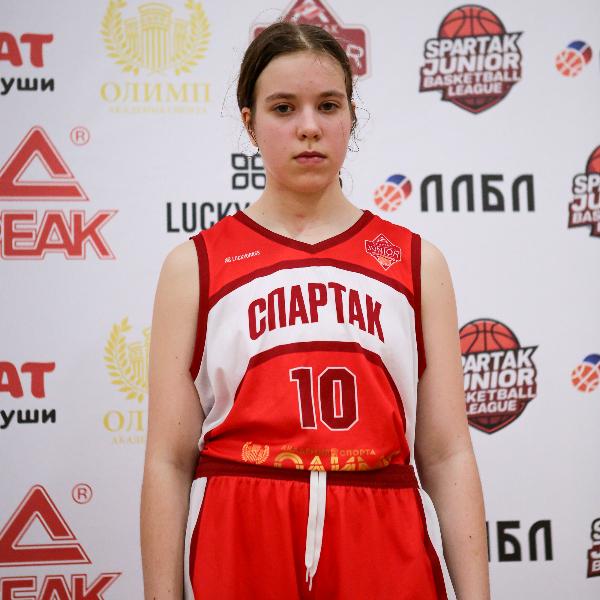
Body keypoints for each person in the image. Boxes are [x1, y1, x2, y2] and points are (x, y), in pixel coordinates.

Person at [140, 20, 490, 600]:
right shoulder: (195, 266)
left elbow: (448, 453)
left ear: (351, 117)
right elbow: (168, 462)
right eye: (283, 108)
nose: (309, 127)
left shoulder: (415, 262)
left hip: (380, 527)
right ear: (249, 122)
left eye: (328, 105)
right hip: (243, 527)